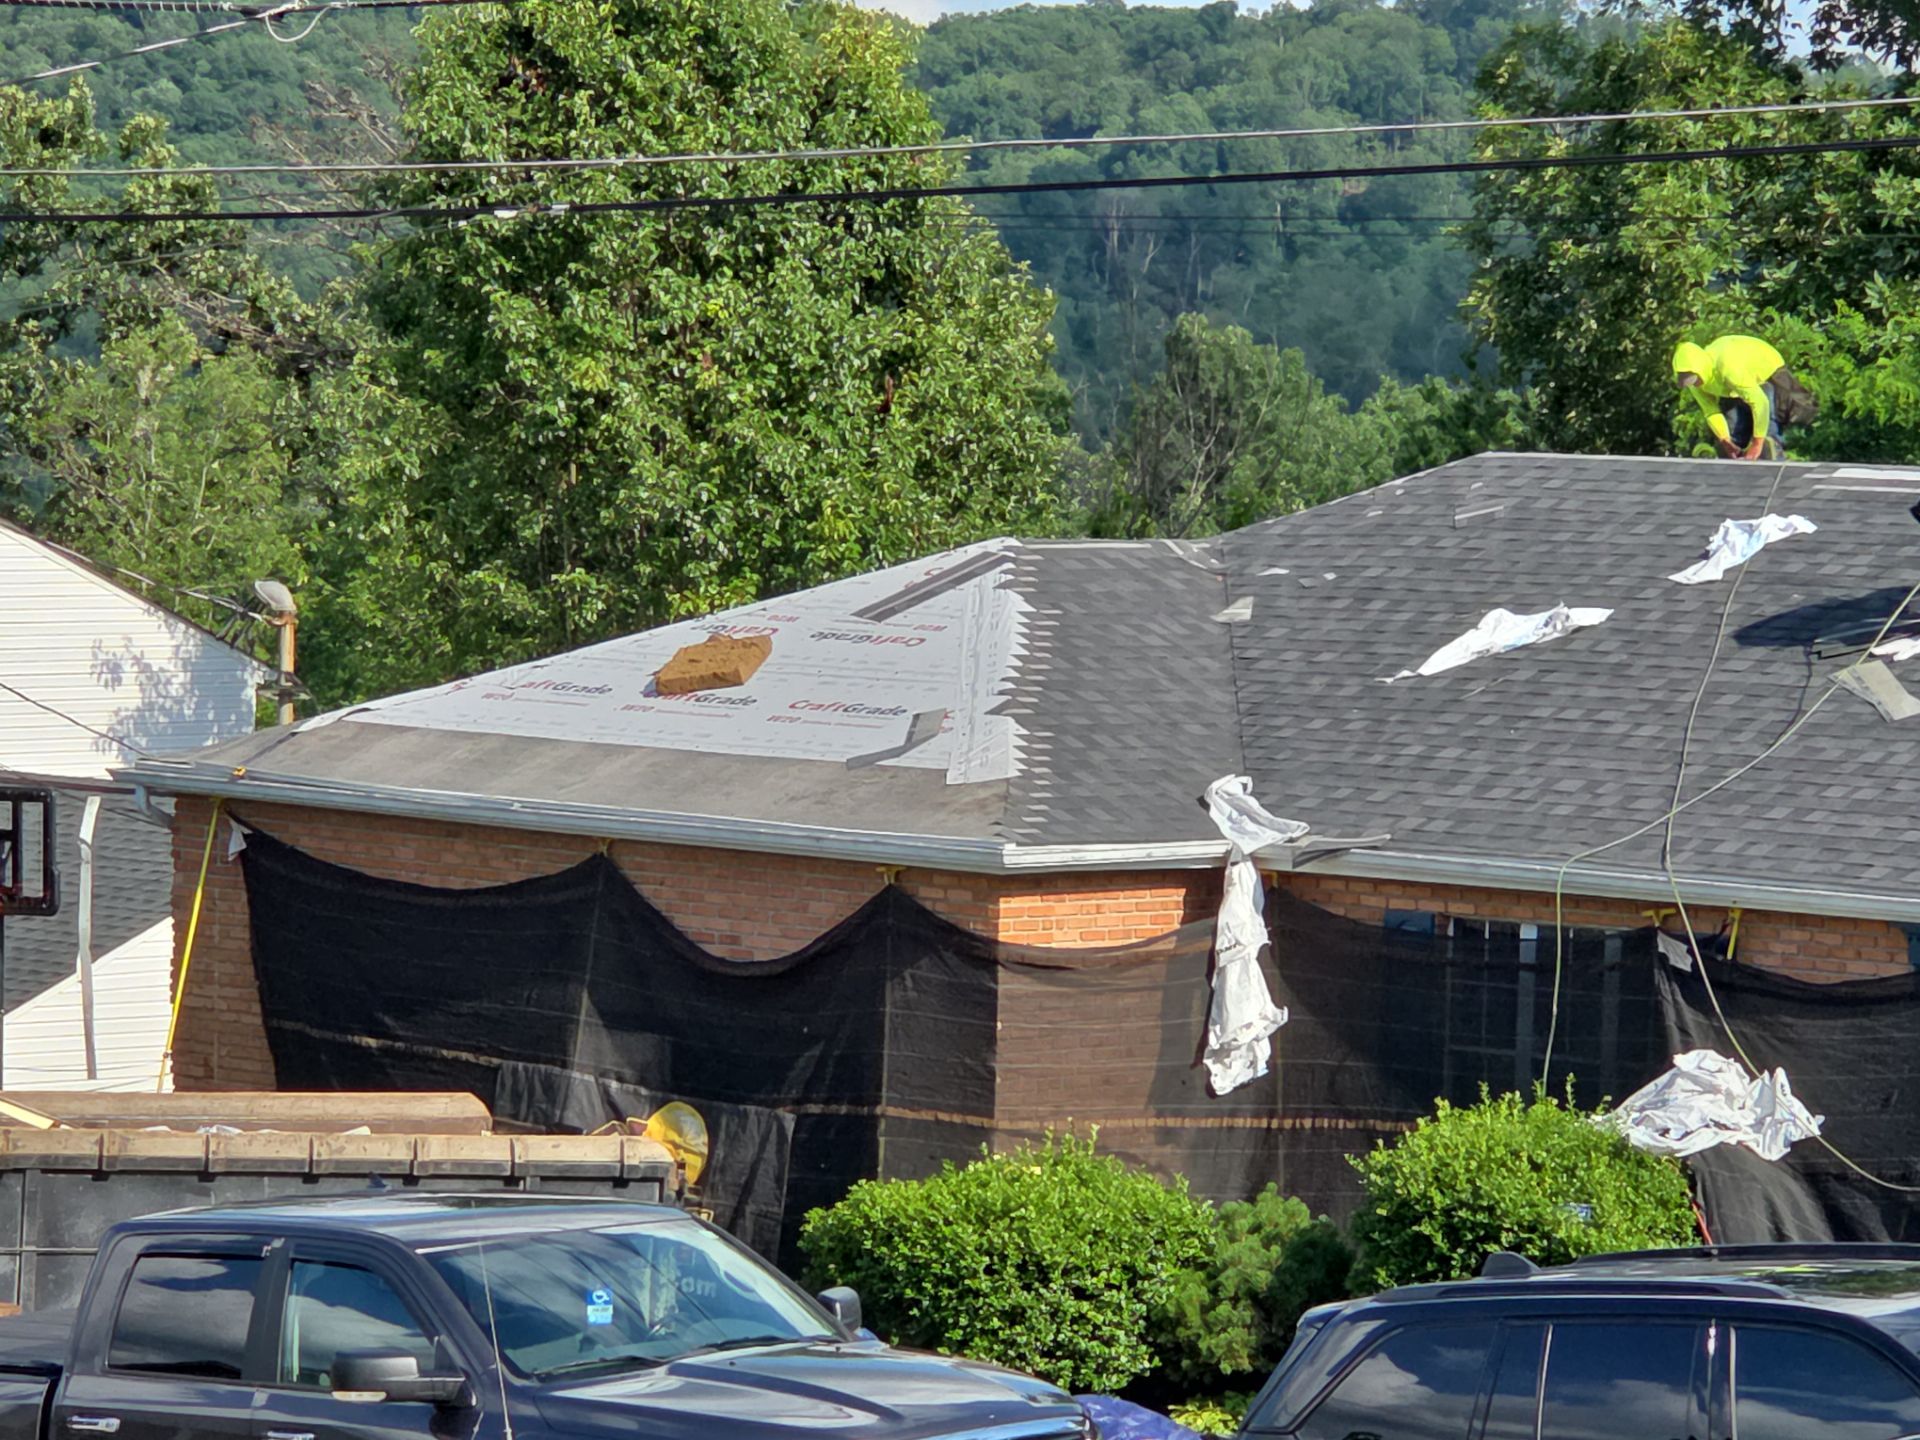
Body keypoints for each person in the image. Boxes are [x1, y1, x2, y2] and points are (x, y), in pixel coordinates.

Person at [1672, 335, 1816, 461]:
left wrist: (1757, 443)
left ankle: (1771, 448)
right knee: (1733, 427)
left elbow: (1760, 403)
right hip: (1732, 385)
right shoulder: (1695, 383)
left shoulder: (1728, 368)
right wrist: (1725, 440)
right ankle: (1738, 454)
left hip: (1766, 368)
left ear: (1701, 369)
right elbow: (1711, 411)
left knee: (1768, 416)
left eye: (1695, 379)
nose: (1694, 383)